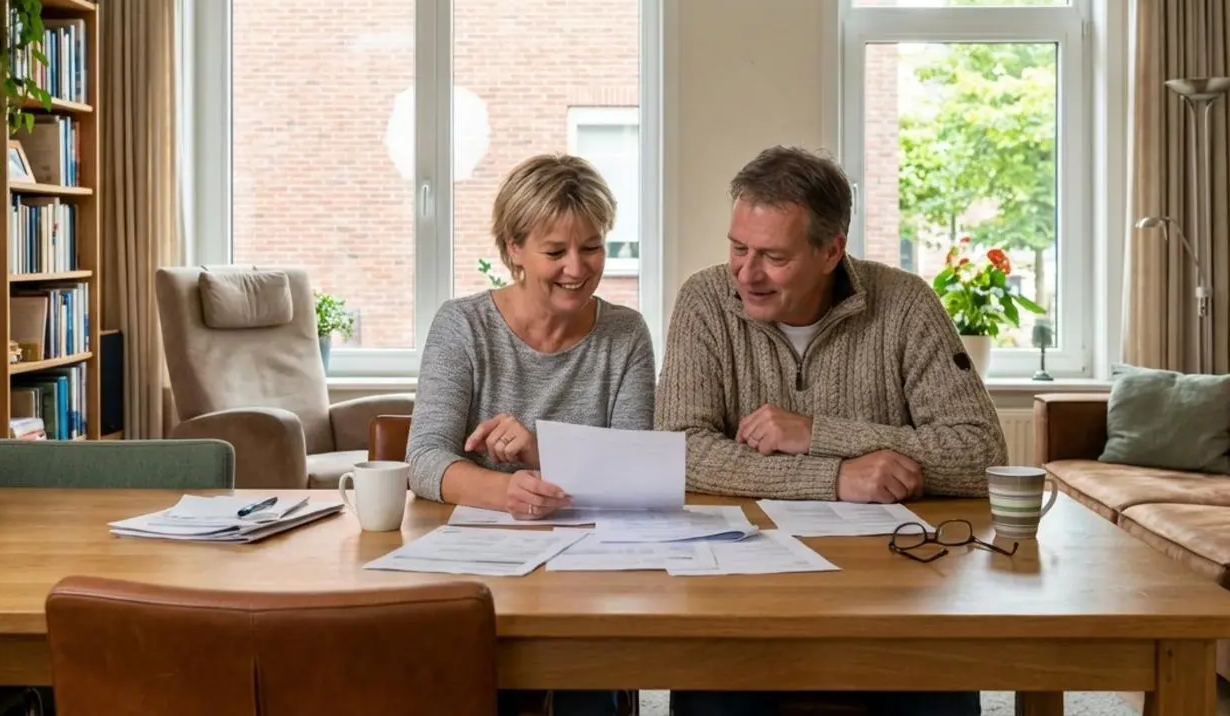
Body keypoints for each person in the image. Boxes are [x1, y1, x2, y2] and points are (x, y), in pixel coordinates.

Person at [655, 145, 1005, 716]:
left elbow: (979, 452)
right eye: (738, 247)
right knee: (709, 698)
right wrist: (836, 476)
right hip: (740, 583)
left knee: (943, 690)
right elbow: (683, 448)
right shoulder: (705, 299)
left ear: (831, 250)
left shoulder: (906, 303)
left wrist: (817, 431)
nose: (746, 273)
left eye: (772, 256)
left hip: (893, 585)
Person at [406, 153, 654, 716]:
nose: (578, 267)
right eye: (555, 251)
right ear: (514, 249)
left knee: (589, 681)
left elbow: (636, 465)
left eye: (592, 246)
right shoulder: (462, 325)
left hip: (593, 566)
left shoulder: (625, 333)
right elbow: (423, 459)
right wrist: (506, 492)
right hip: (480, 565)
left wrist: (542, 450)